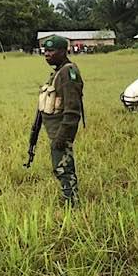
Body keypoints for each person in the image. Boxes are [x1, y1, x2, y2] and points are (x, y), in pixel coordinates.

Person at [37, 35, 84, 206]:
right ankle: (69, 199)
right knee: (60, 166)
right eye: (45, 50)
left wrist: (62, 136)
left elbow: (72, 110)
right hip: (56, 130)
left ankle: (71, 203)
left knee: (64, 168)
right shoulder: (58, 71)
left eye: (51, 51)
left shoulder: (68, 73)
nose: (47, 54)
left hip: (62, 131)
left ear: (63, 52)